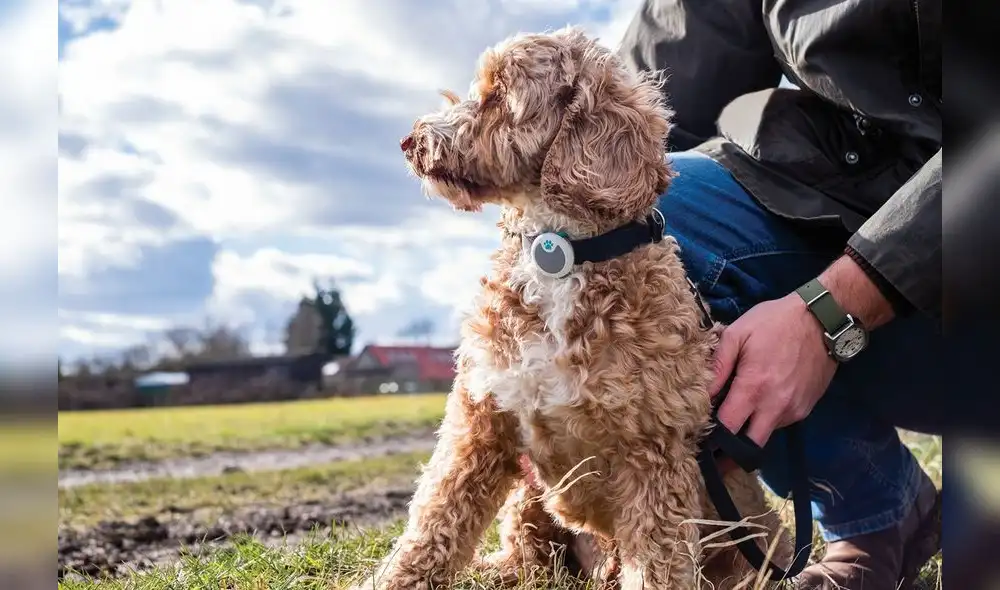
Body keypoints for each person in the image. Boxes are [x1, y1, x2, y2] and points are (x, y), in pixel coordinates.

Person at [610, 1, 943, 589]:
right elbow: (640, 124)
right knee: (636, 228)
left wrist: (832, 311)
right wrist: (555, 332)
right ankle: (878, 513)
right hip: (856, 212)